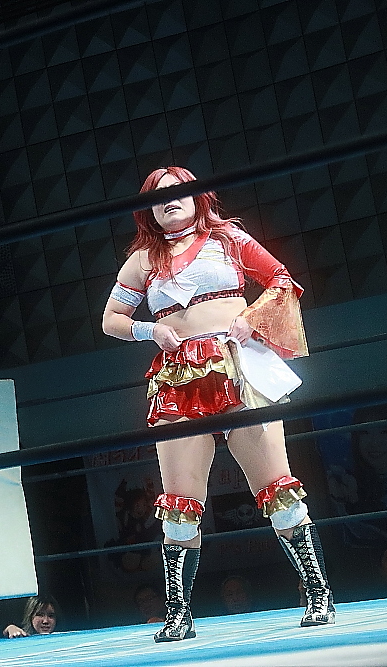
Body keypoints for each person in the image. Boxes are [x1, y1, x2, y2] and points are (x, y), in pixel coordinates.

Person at [102, 166, 334, 642]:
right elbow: (111, 319)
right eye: (157, 197)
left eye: (178, 192)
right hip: (177, 379)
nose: (169, 201)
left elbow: (281, 280)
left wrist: (253, 316)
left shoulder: (229, 239)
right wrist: (150, 329)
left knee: (277, 488)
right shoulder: (142, 260)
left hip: (237, 368)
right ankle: (178, 615)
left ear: (197, 196)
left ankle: (318, 594)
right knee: (179, 504)